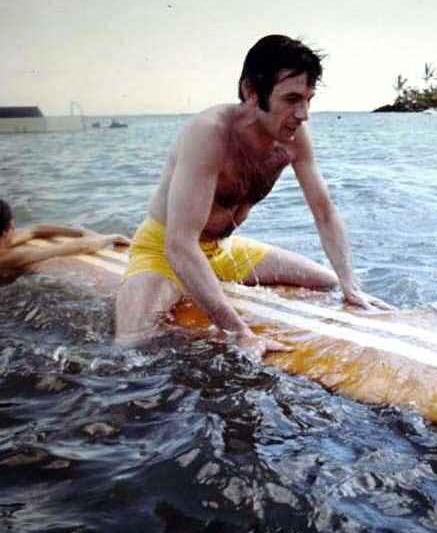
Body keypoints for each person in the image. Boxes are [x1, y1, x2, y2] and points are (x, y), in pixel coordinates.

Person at [115, 34, 390, 358]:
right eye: (291, 99)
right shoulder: (209, 133)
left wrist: (350, 284)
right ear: (250, 91)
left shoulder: (293, 137)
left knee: (328, 283)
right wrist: (239, 332)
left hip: (221, 251)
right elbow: (179, 243)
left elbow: (324, 213)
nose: (303, 115)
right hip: (163, 251)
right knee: (131, 344)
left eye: (308, 99)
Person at [0, 196, 129, 283]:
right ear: (4, 231)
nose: (15, 228)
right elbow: (75, 248)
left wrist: (79, 231)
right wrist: (113, 237)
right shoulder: (7, 258)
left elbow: (35, 230)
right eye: (12, 224)